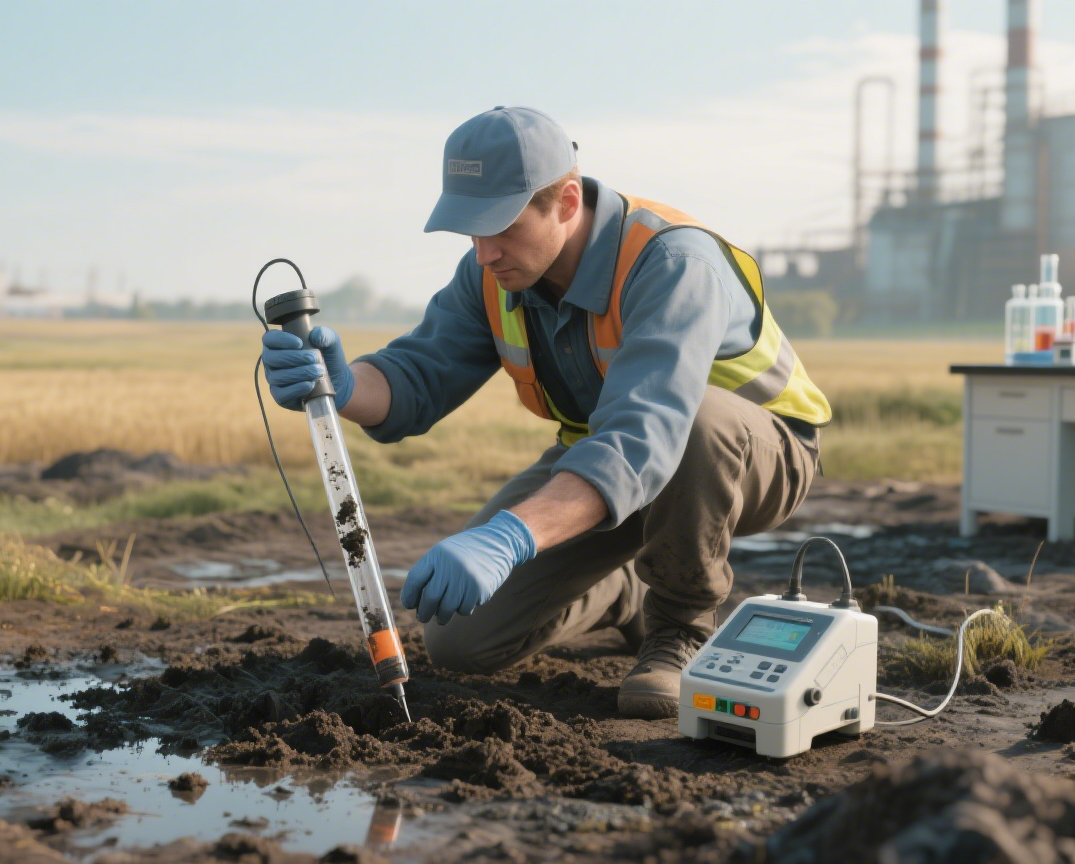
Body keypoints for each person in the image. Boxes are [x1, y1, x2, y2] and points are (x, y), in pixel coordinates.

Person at [261, 106, 831, 718]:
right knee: (460, 638)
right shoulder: (494, 274)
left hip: (747, 456)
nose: (484, 252)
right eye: (471, 231)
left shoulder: (671, 263)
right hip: (607, 465)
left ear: (564, 201)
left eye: (500, 226)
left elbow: (647, 435)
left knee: (694, 424)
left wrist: (509, 537)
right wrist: (344, 386)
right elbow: (417, 375)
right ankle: (623, 595)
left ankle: (680, 627)